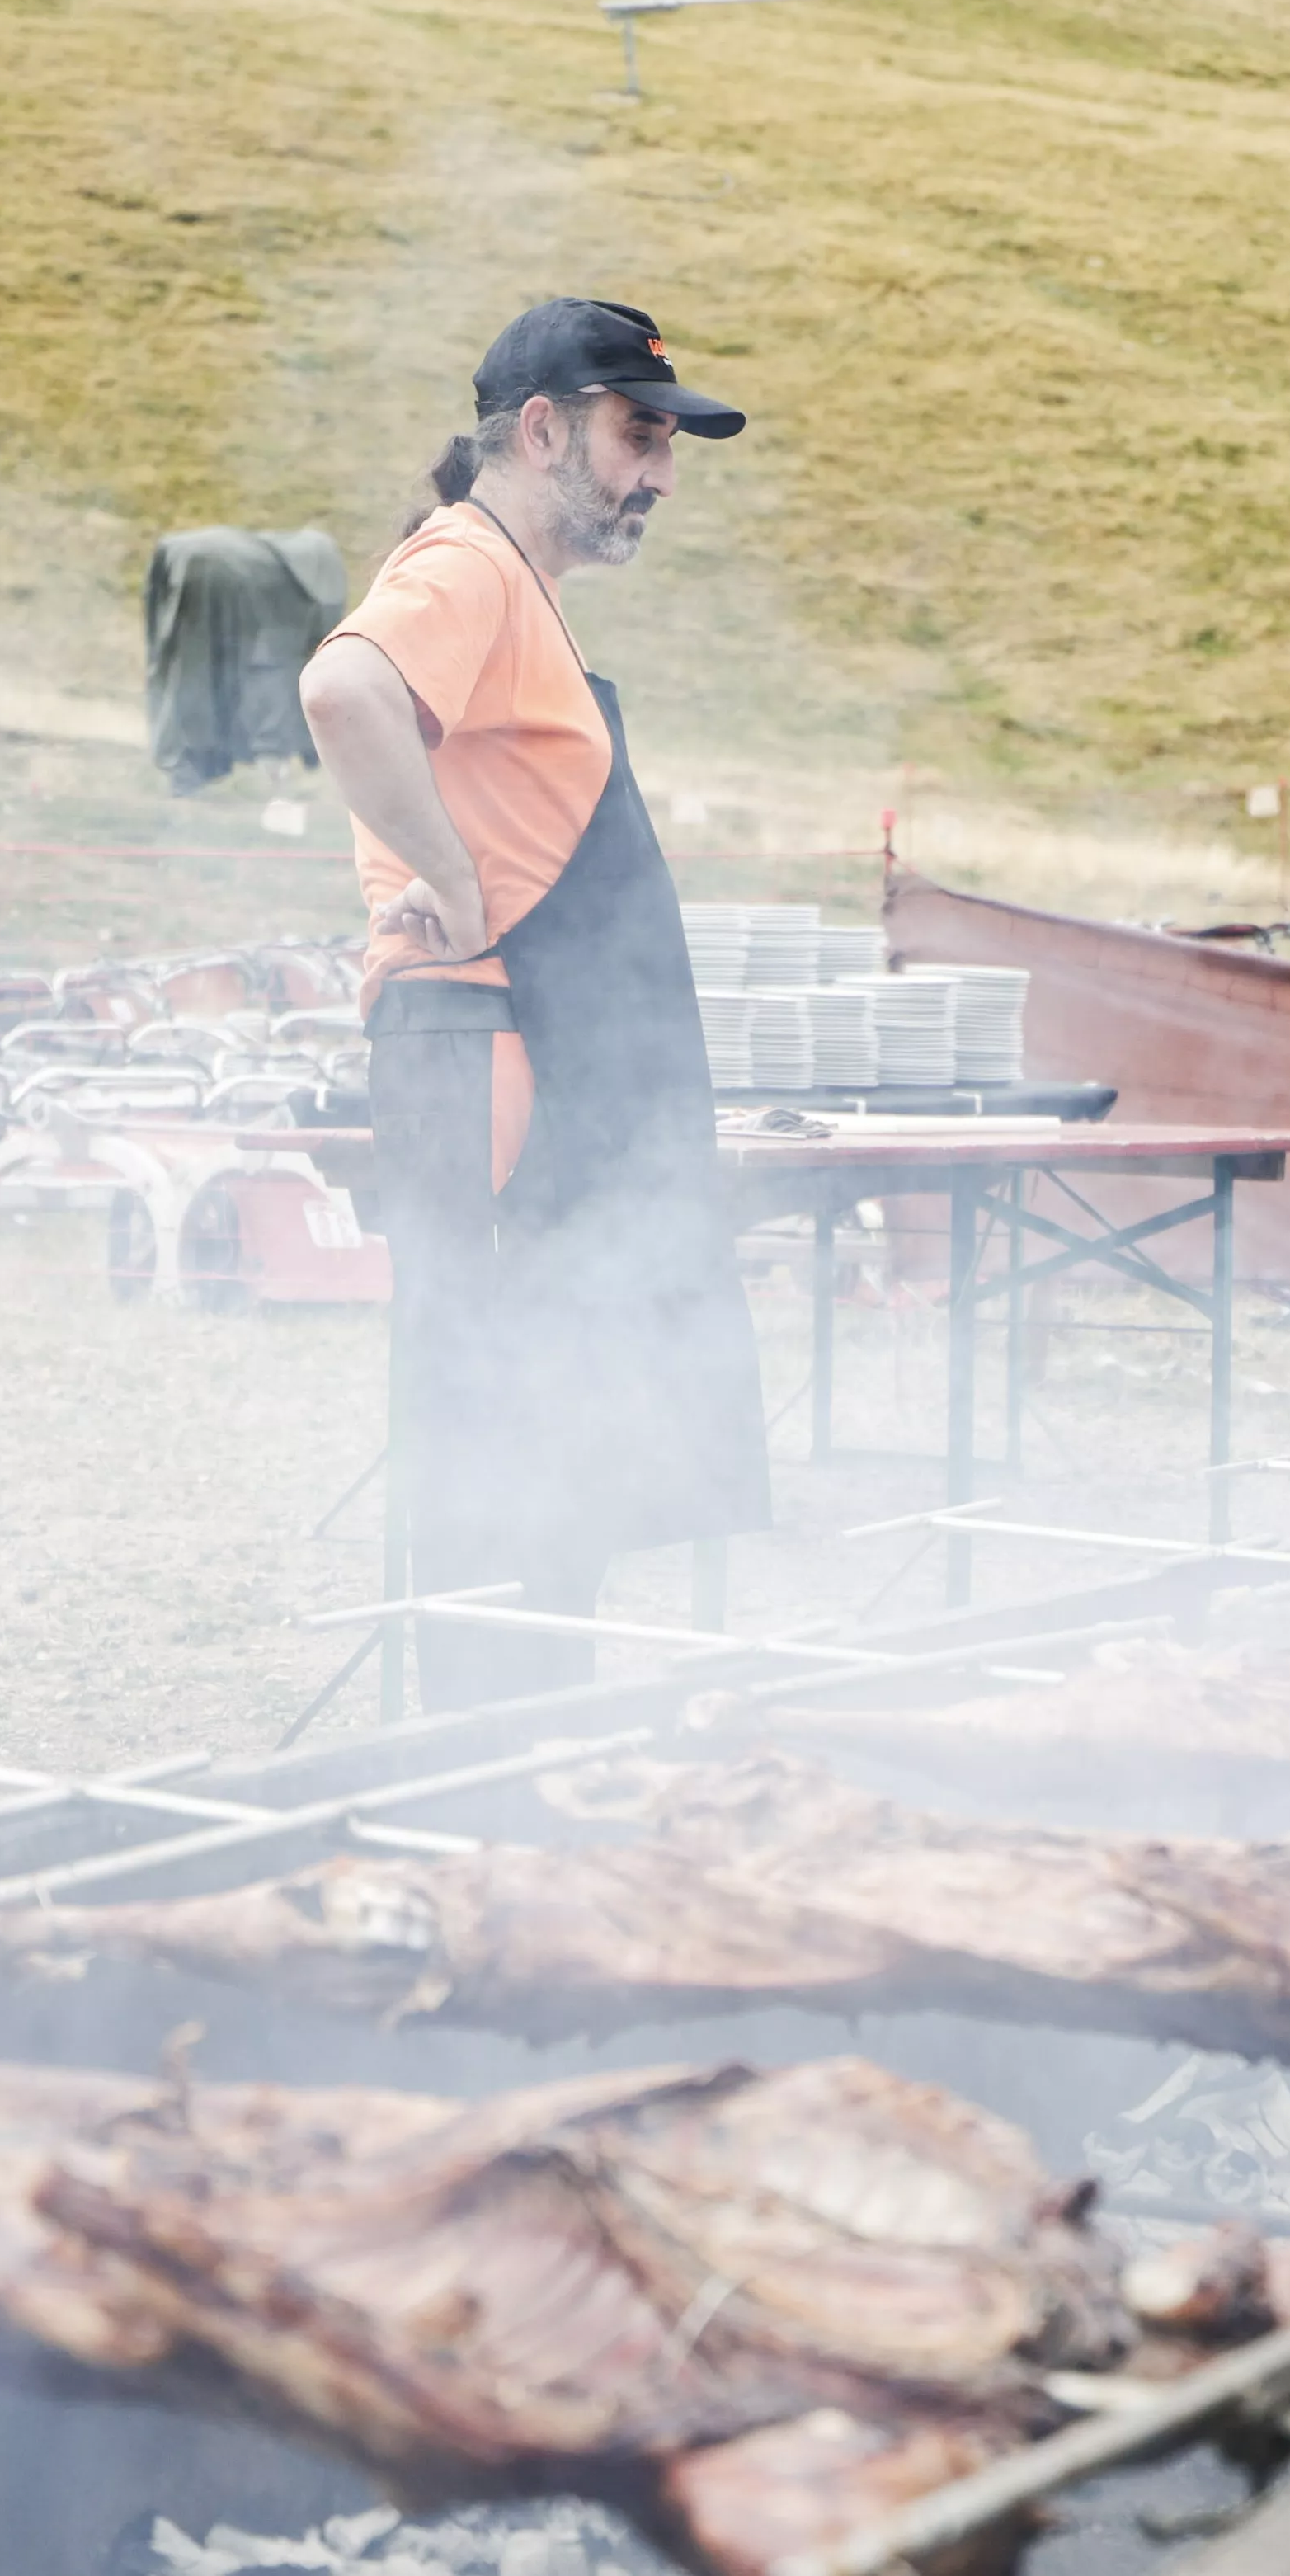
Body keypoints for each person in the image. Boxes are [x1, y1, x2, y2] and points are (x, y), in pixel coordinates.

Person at [296, 299, 769, 1705]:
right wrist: (443, 880)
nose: (662, 476)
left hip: (532, 1058)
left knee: (553, 1436)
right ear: (544, 428)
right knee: (500, 1441)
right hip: (491, 1058)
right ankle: (480, 1782)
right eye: (642, 437)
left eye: (671, 444)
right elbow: (341, 689)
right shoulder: (467, 564)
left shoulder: (517, 585)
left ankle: (521, 1763)